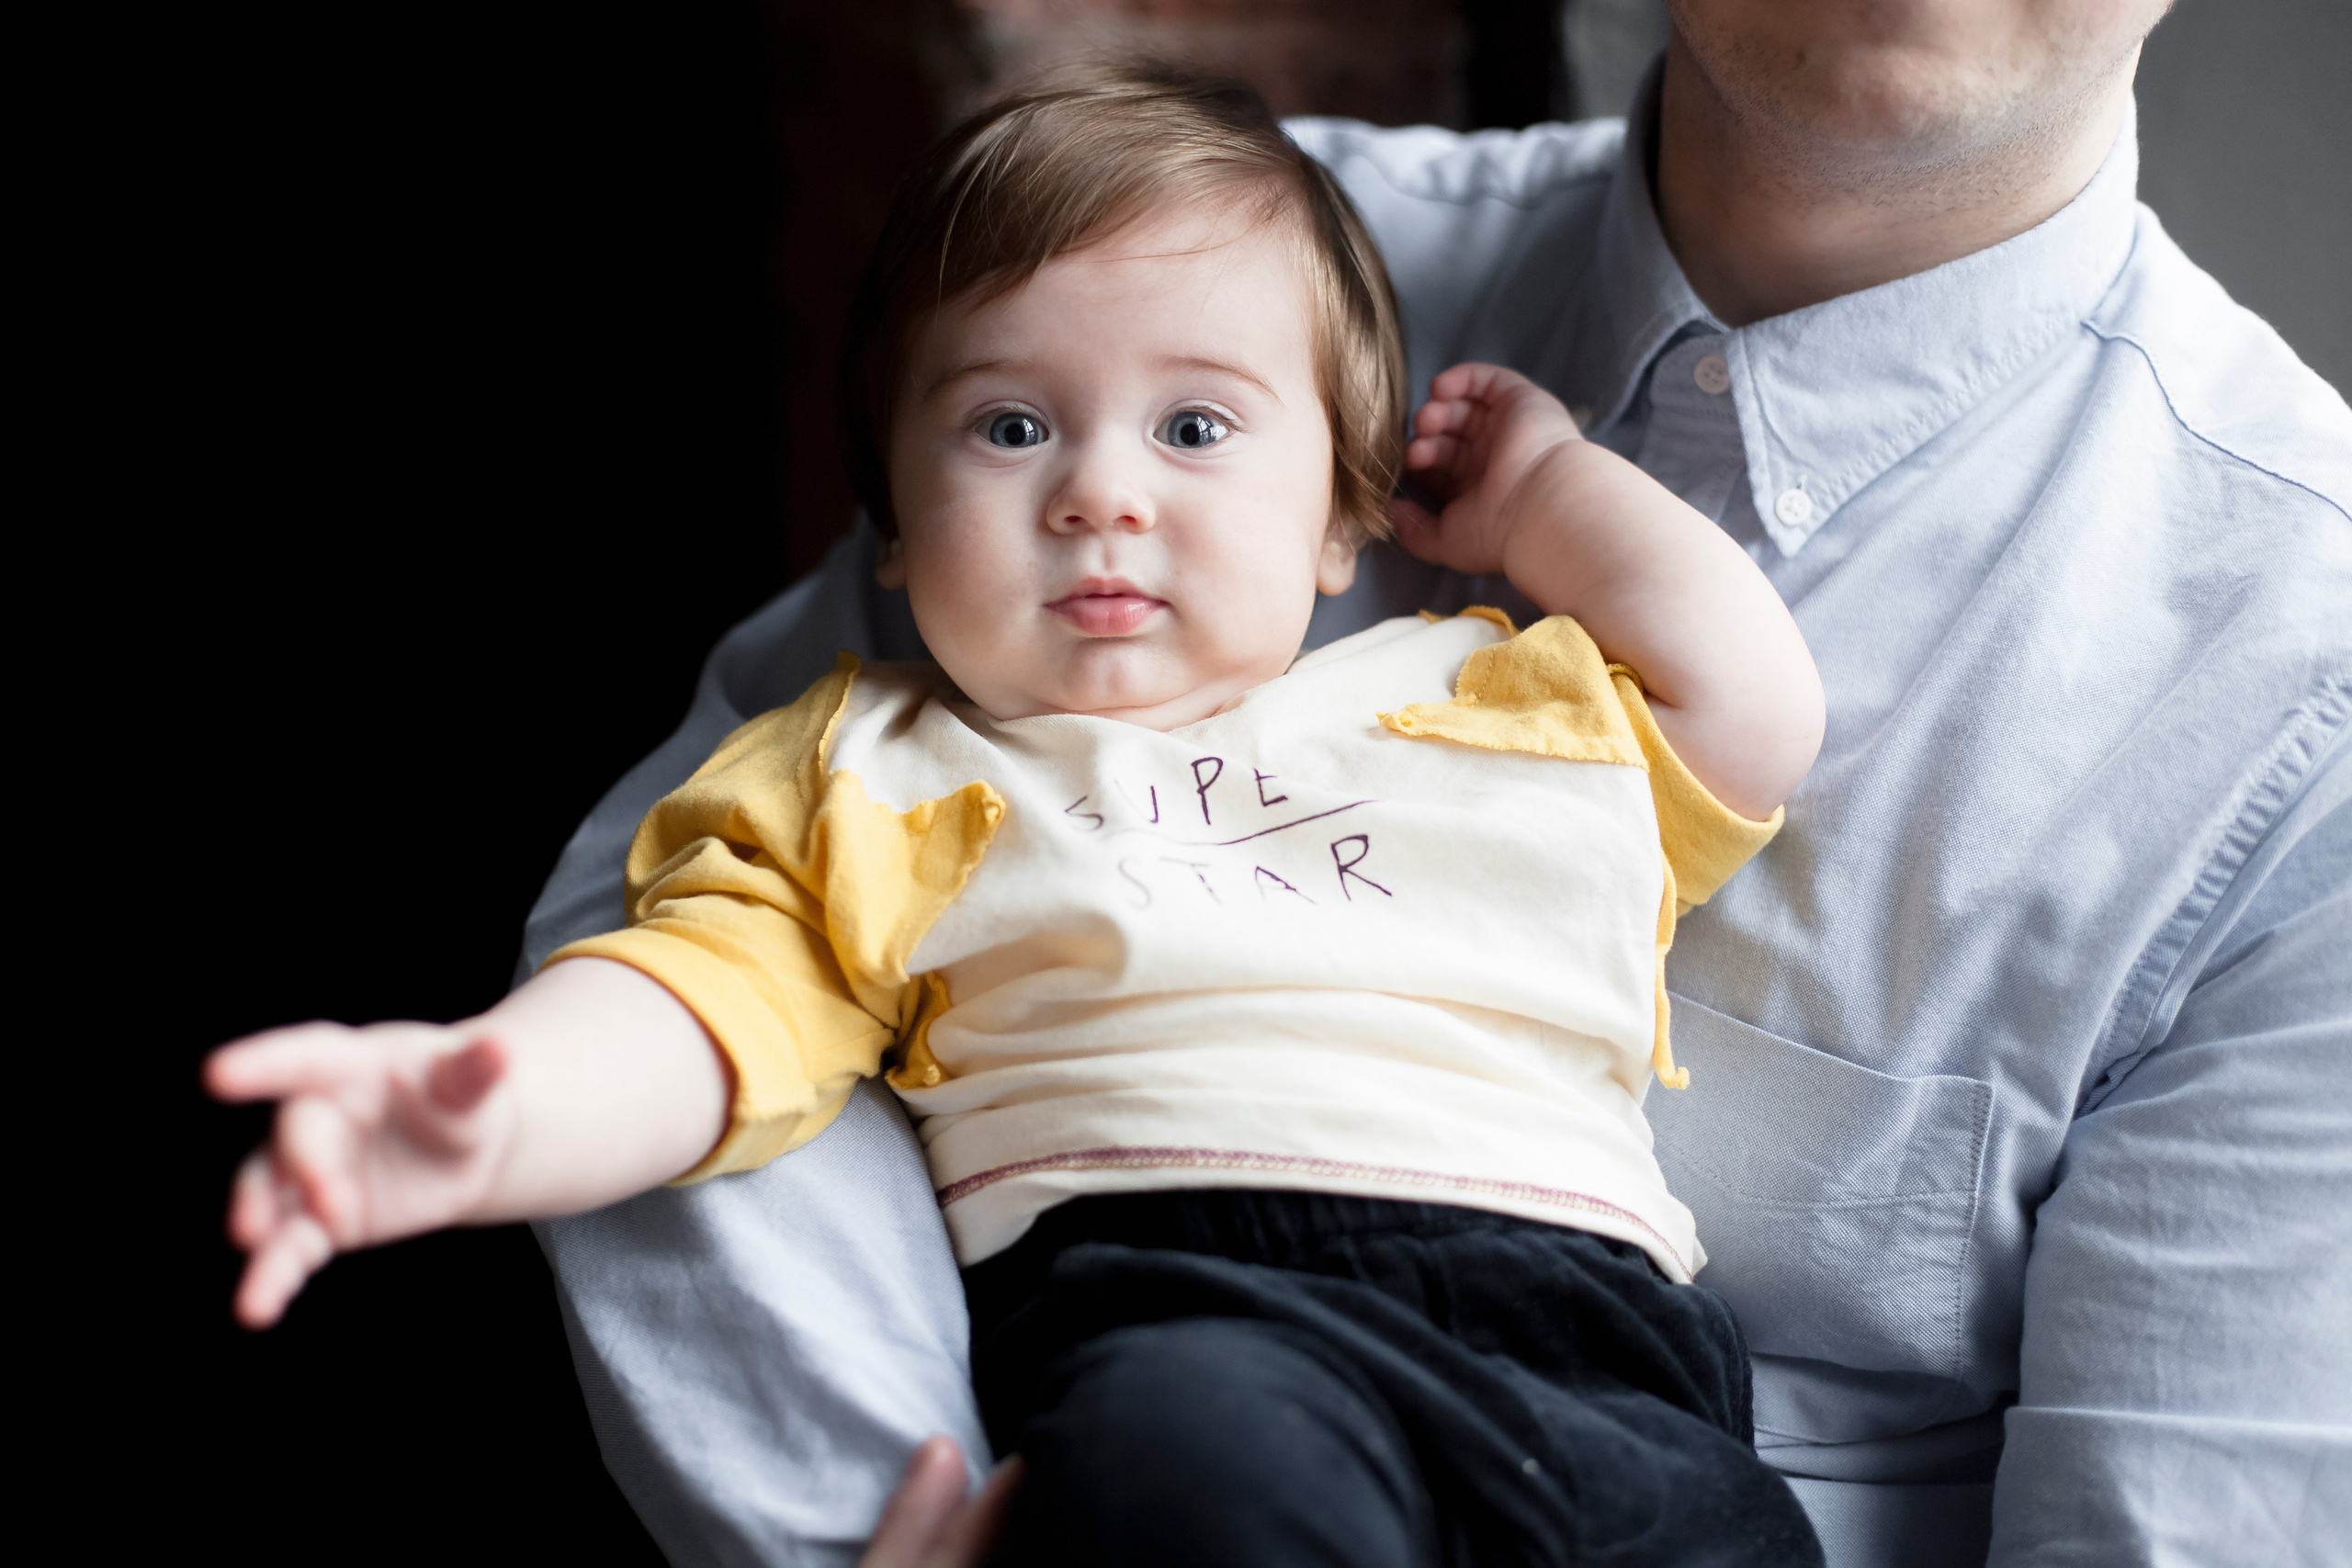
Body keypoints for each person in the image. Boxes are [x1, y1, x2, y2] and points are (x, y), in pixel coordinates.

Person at [264, 0, 2352, 1560]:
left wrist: (1543, 501)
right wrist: (497, 1098)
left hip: (1618, 1380)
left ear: (1351, 504)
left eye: (1194, 437)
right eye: (1007, 439)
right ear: (892, 536)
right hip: (1197, 1319)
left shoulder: (1475, 687)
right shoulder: (1134, 336)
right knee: (1193, 1462)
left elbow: (1740, 713)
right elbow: (695, 982)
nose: (1102, 492)